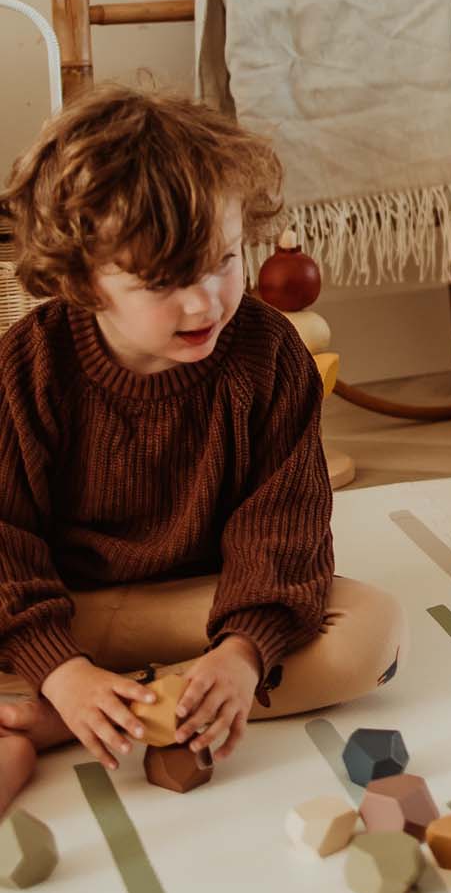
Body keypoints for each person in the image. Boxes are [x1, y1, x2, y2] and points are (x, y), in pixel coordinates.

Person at [0, 86, 404, 820]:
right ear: (81, 278)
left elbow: (284, 525)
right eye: (164, 282)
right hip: (58, 608)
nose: (205, 302)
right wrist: (60, 667)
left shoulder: (269, 354)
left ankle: (84, 716)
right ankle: (72, 698)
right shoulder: (29, 366)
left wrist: (243, 654)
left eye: (223, 260)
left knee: (369, 630)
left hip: (200, 603)